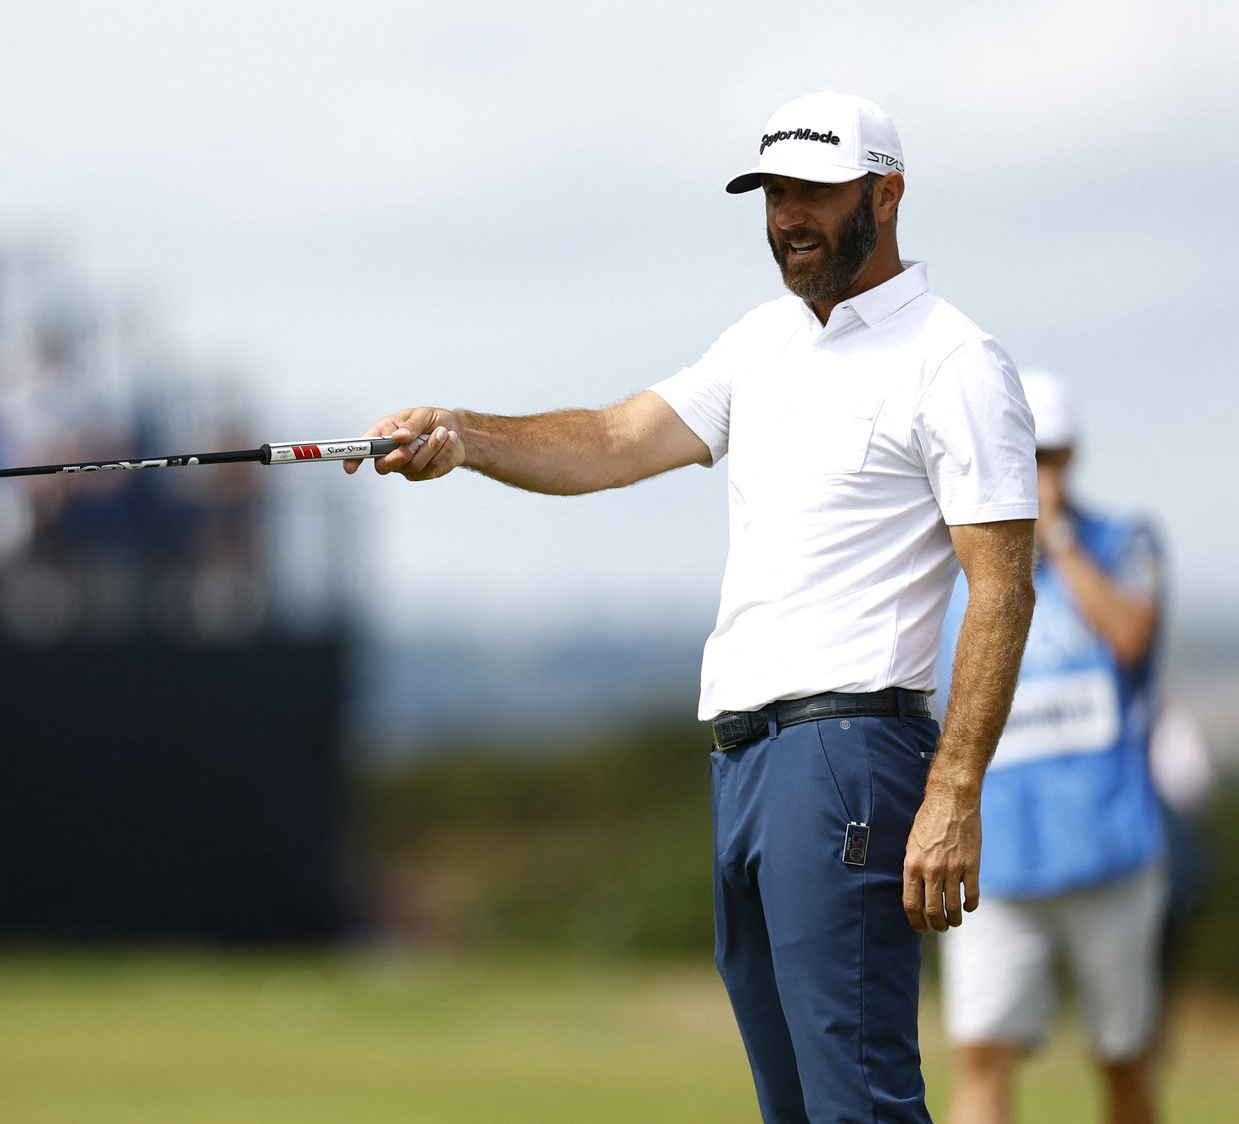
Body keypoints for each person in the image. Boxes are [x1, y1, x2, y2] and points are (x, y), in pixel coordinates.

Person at [349, 91, 1037, 1123]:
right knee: (793, 1104)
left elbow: (1002, 584)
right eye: (772, 194)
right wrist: (462, 432)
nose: (787, 216)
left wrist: (953, 790)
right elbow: (613, 439)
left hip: (848, 754)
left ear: (884, 194)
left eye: (814, 191)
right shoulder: (760, 342)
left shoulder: (952, 359)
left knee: (858, 1100)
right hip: (744, 761)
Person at [937, 370, 1167, 1124]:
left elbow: (1131, 635)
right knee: (980, 1051)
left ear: (1070, 458)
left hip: (1109, 848)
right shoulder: (957, 571)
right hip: (998, 858)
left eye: (1049, 454)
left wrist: (1057, 537)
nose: (1037, 470)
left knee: (1123, 1054)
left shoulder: (1122, 542)